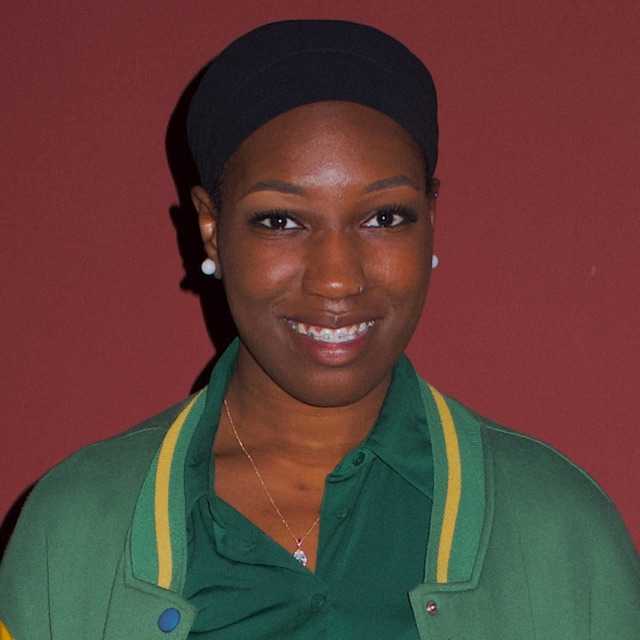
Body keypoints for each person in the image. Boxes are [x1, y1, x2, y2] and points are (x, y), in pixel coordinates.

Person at [0, 19, 638, 640]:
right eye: (281, 221)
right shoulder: (77, 531)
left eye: (384, 218)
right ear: (211, 229)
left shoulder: (560, 533)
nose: (336, 279)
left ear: (431, 221)